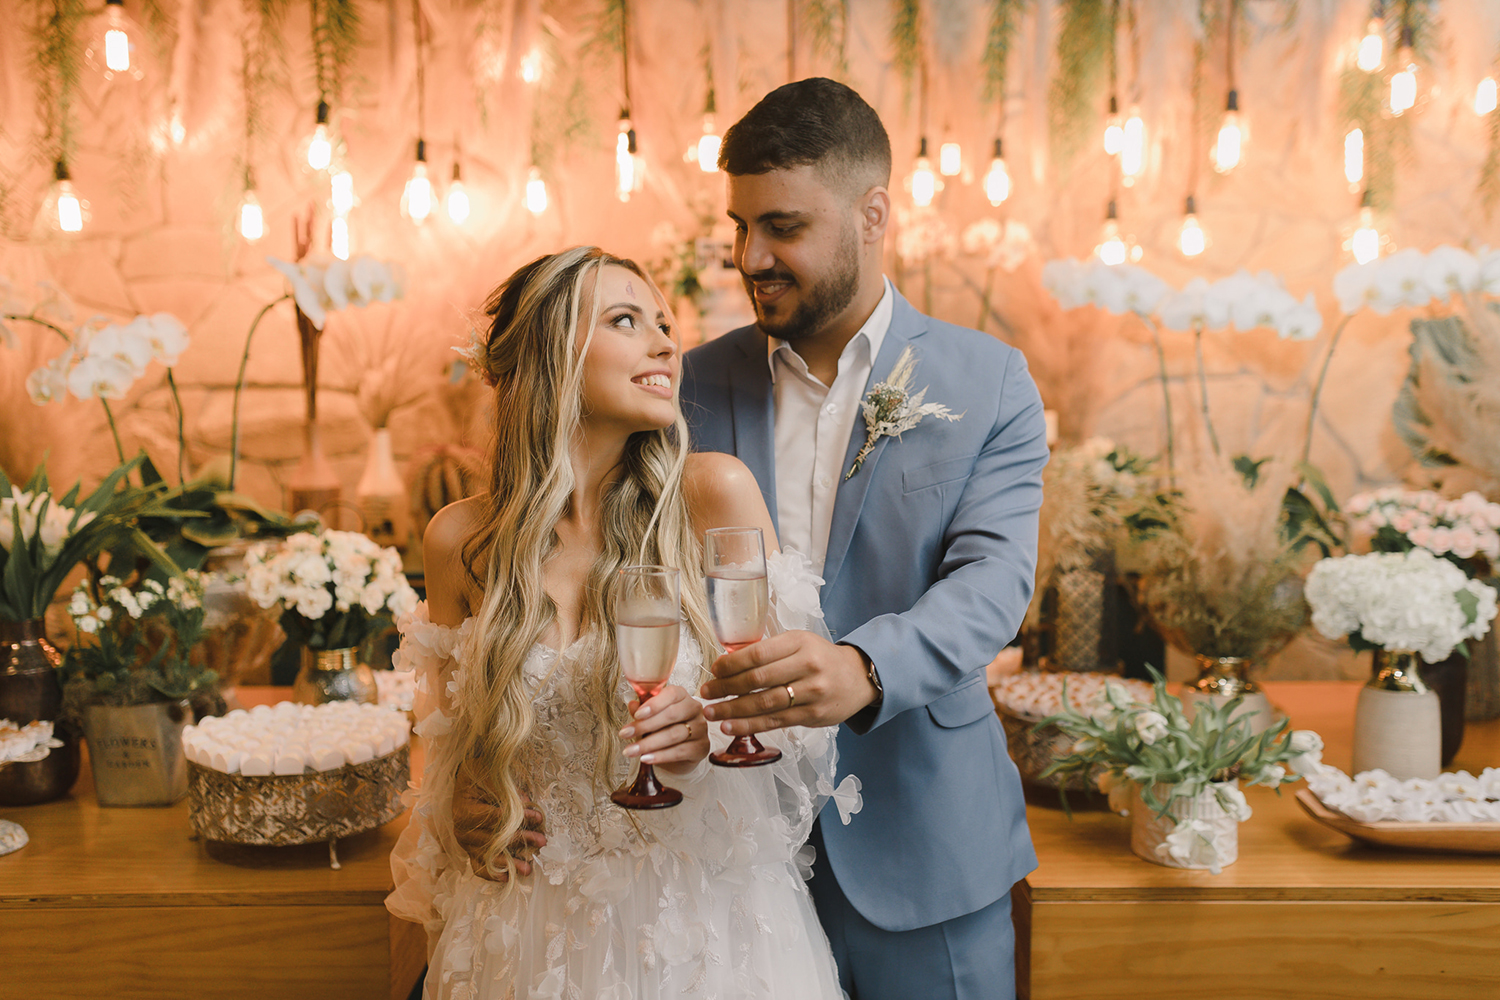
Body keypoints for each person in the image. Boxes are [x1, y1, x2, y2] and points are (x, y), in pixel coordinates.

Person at [387, 247, 852, 999]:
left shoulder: (715, 498)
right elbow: (448, 756)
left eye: (665, 324)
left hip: (701, 933)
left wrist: (709, 730)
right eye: (626, 321)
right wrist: (468, 809)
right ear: (546, 354)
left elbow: (799, 726)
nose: (667, 342)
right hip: (523, 932)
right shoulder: (460, 542)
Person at [680, 78, 1049, 1000]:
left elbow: (995, 581)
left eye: (783, 227)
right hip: (718, 855)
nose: (750, 256)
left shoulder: (990, 380)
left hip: (926, 842)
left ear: (873, 212)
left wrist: (866, 668)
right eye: (739, 227)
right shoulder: (686, 385)